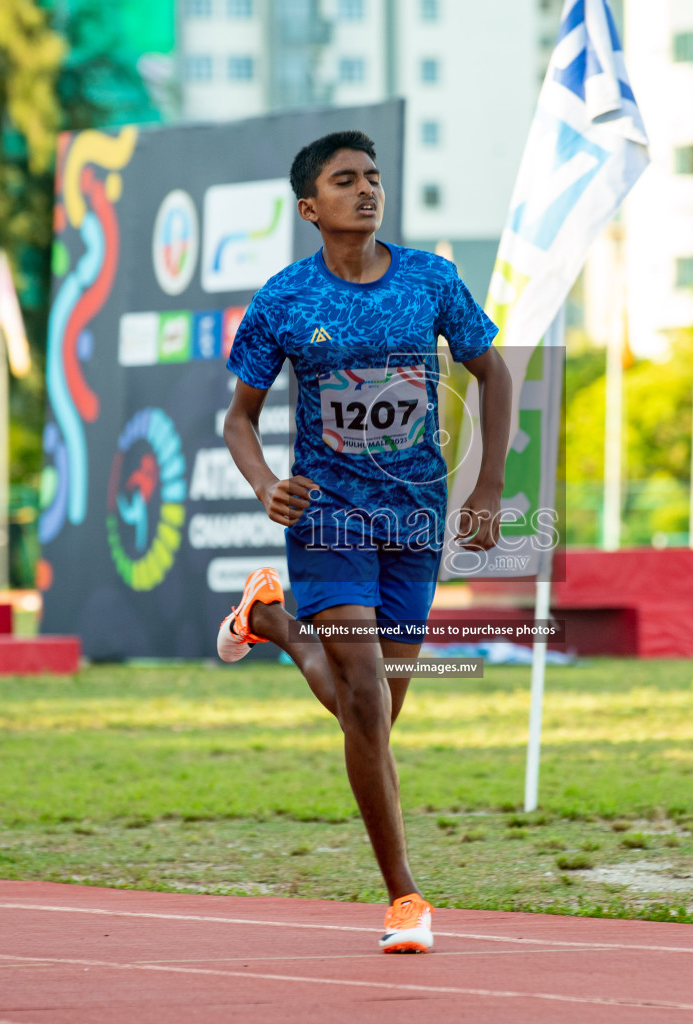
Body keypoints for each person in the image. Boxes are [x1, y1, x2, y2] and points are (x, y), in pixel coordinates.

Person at [218, 130, 512, 954]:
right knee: (364, 694)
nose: (367, 190)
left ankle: (273, 623)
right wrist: (265, 484)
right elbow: (238, 419)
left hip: (414, 518)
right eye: (346, 181)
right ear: (311, 208)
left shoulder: (431, 279)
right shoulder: (284, 299)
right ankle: (405, 897)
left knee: (376, 709)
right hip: (329, 518)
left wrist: (486, 487)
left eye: (374, 178)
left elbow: (493, 372)